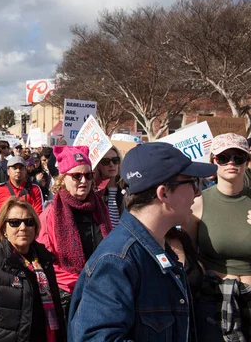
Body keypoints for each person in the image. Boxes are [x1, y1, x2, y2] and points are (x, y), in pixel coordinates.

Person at [68, 142, 216, 341]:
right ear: (163, 193)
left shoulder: (159, 248)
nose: (198, 192)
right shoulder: (117, 260)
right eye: (192, 182)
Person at [0, 198, 66, 341]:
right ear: (3, 229)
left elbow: (57, 310)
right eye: (14, 222)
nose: (23, 227)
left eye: (29, 222)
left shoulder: (44, 260)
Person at [183, 133, 251, 339]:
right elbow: (188, 255)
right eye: (223, 157)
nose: (231, 163)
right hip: (214, 301)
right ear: (214, 161)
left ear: (247, 162)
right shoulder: (197, 203)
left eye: (238, 157)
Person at [37, 145, 112, 313]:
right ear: (63, 179)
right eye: (77, 176)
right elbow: (45, 261)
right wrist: (80, 282)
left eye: (88, 175)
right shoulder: (51, 214)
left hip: (102, 290)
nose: (84, 181)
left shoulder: (101, 207)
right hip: (68, 295)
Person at [0, 156, 44, 249]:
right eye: (14, 168)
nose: (18, 171)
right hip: (3, 237)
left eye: (21, 168)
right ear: (8, 171)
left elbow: (39, 215)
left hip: (26, 236)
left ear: (25, 171)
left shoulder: (34, 189)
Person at [94, 146, 126, 227]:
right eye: (105, 161)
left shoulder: (127, 190)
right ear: (98, 166)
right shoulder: (95, 193)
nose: (111, 165)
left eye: (115, 160)